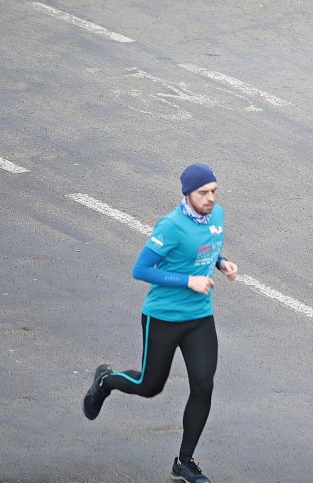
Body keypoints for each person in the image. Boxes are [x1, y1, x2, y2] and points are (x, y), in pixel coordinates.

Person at [82, 163, 238, 483]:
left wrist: (222, 264)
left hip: (199, 316)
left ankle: (183, 462)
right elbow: (141, 269)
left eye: (214, 191)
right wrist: (187, 281)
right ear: (188, 194)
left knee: (203, 385)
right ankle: (106, 381)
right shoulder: (170, 226)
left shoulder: (217, 215)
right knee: (150, 386)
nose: (211, 198)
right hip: (163, 317)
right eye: (203, 193)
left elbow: (210, 249)